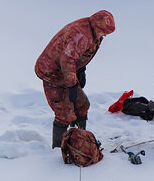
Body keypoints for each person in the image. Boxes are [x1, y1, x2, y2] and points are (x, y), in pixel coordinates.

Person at [34, 10, 116, 147]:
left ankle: (80, 139)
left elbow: (80, 54)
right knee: (64, 113)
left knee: (82, 105)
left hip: (67, 72)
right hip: (52, 73)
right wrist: (72, 84)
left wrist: (81, 70)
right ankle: (59, 148)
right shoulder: (81, 35)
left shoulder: (94, 33)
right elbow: (67, 60)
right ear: (97, 26)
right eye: (104, 31)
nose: (106, 35)